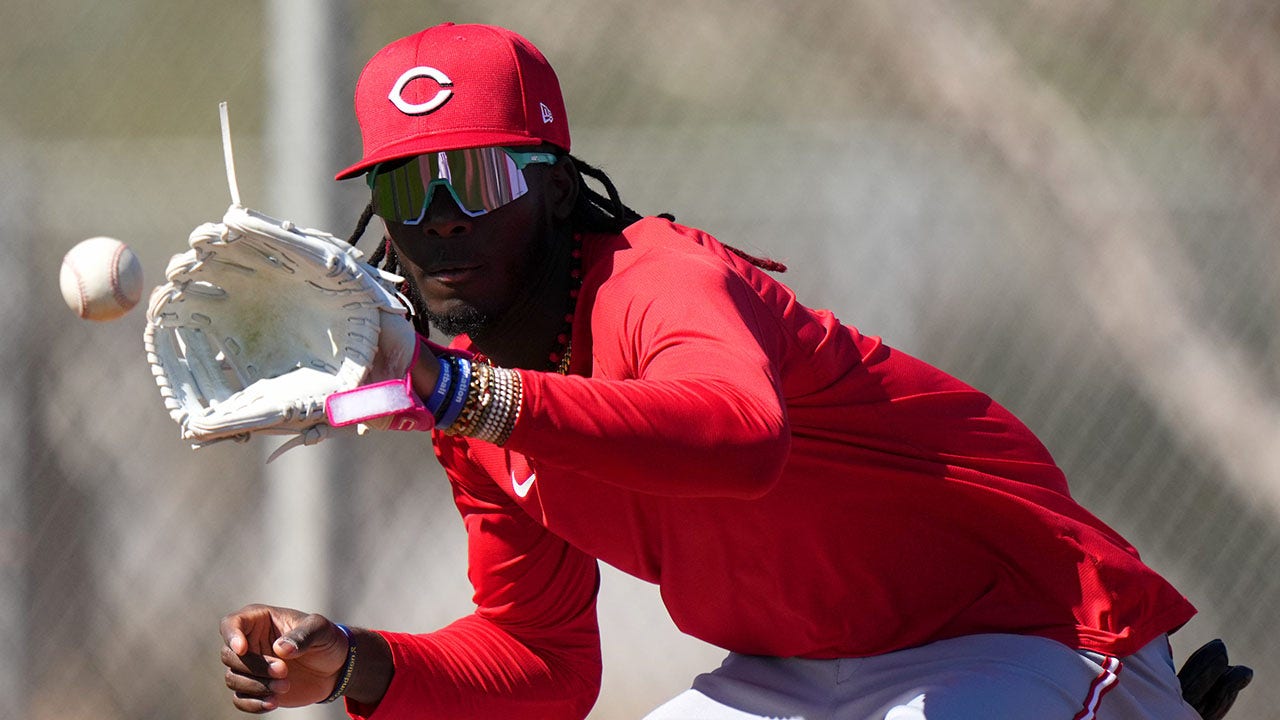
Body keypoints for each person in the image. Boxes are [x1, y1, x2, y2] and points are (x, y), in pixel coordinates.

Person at [219, 22, 1215, 719]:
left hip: (1027, 633)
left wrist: (457, 395)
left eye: (475, 178)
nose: (438, 216)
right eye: (403, 181)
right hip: (787, 677)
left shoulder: (658, 282)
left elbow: (739, 437)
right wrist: (358, 664)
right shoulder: (473, 401)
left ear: (559, 190)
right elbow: (541, 661)